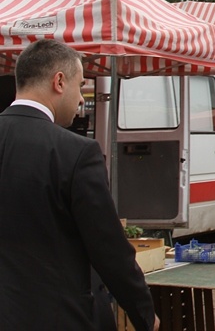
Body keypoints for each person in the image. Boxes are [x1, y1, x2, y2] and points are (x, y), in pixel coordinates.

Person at [0, 39, 159, 331]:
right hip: (60, 316)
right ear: (59, 82)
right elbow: (108, 249)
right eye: (80, 85)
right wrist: (144, 315)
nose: (80, 99)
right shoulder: (75, 152)